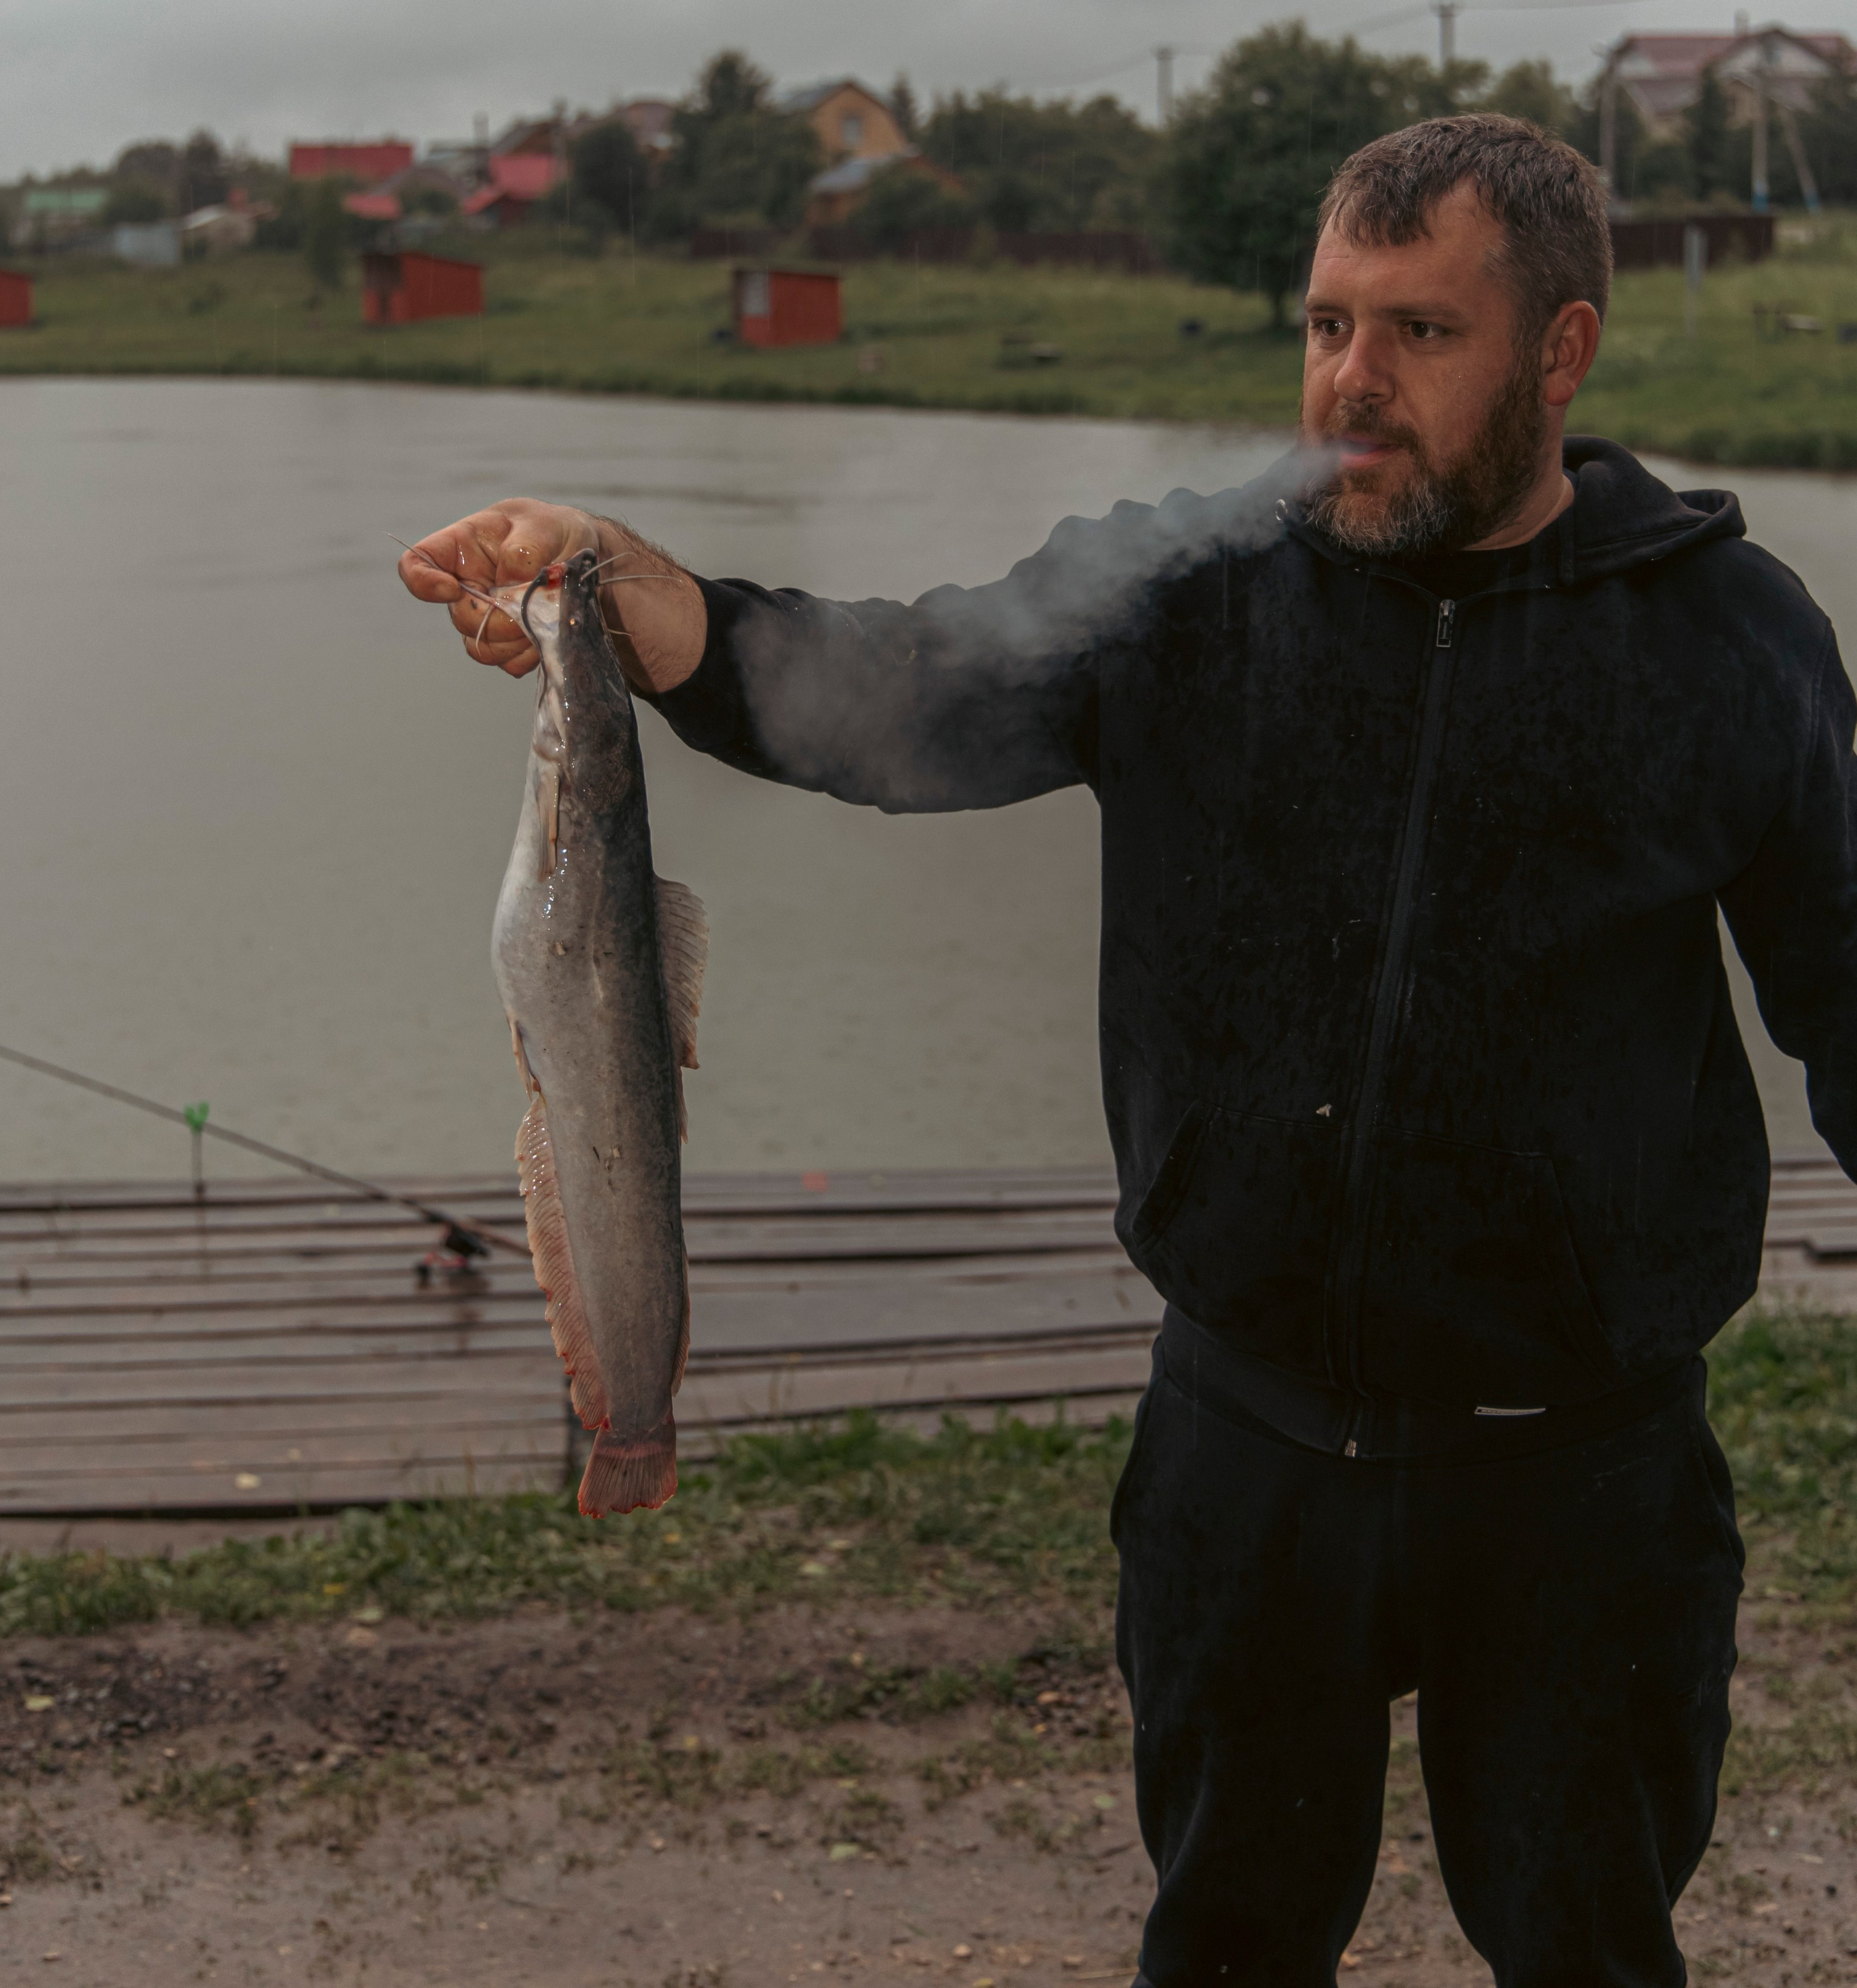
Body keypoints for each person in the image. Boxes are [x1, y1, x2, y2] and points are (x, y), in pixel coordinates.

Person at [400, 113, 1857, 1988]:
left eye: (1419, 333)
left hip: (1586, 1475)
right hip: (1244, 1451)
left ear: (1559, 351)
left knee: (1589, 1945)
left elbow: (1847, 986)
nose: (1351, 381)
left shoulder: (1725, 635)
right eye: (1327, 323)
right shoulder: (1192, 583)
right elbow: (907, 693)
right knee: (1230, 1945)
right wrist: (653, 606)